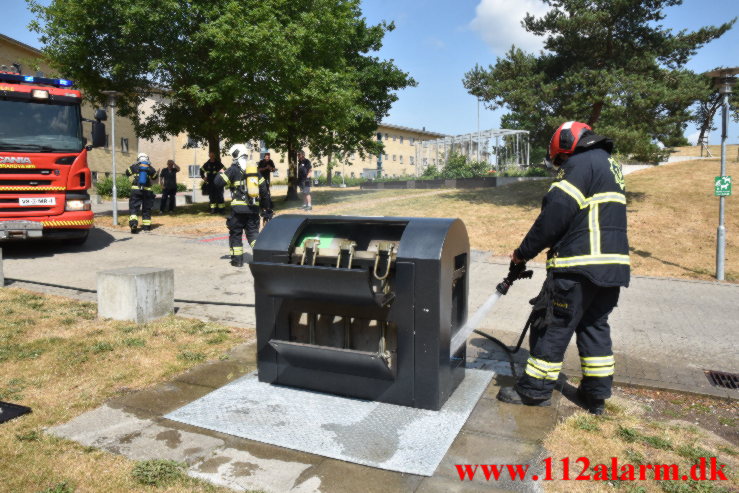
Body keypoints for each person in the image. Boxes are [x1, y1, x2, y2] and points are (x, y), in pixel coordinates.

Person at [496, 121, 629, 415]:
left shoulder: (580, 165)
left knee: (552, 327)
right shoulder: (610, 165)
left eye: (559, 160)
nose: (560, 166)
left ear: (567, 146)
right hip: (611, 269)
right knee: (594, 327)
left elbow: (555, 215)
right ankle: (595, 396)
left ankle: (533, 392)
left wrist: (522, 253)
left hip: (577, 267)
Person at [214, 144, 269, 267]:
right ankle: (263, 258)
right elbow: (264, 191)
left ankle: (237, 261)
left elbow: (218, 183)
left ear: (235, 155)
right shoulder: (254, 171)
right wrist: (266, 209)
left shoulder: (233, 169)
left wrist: (220, 173)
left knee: (236, 234)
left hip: (238, 210)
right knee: (253, 235)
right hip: (253, 209)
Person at [125, 153, 159, 233]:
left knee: (134, 208)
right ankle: (146, 227)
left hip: (136, 191)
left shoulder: (134, 166)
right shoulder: (150, 167)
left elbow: (127, 172)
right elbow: (155, 177)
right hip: (147, 191)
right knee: (146, 209)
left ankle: (133, 224)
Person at [257, 152, 276, 224]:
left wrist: (270, 168)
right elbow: (258, 170)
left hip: (267, 179)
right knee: (261, 193)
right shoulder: (261, 162)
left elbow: (274, 169)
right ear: (264, 157)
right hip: (261, 179)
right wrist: (265, 168)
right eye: (267, 157)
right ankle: (262, 208)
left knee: (267, 192)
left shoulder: (271, 161)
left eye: (269, 157)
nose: (268, 158)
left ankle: (268, 207)